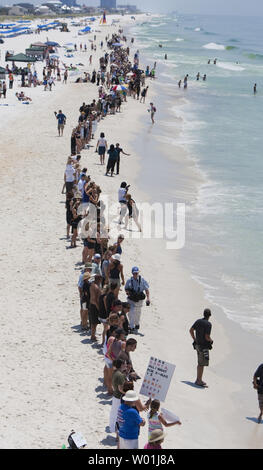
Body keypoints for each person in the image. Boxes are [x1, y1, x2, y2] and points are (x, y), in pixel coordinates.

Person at [189, 308, 213, 387]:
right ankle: (198, 380)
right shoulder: (208, 324)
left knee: (200, 362)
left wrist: (195, 339)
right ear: (209, 316)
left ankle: (199, 379)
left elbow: (191, 330)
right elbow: (207, 336)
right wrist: (211, 340)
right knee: (201, 363)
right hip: (204, 346)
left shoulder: (198, 321)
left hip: (197, 345)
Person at [125, 266, 150, 332]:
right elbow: (126, 289)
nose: (135, 275)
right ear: (132, 273)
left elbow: (146, 289)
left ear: (138, 273)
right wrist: (129, 293)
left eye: (136, 273)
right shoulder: (129, 280)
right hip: (131, 299)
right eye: (134, 273)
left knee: (138, 313)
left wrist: (148, 298)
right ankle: (131, 326)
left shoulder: (142, 280)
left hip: (139, 300)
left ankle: (137, 324)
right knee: (131, 312)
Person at [109, 359, 127, 434]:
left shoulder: (115, 373)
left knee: (113, 414)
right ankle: (116, 431)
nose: (126, 365)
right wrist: (127, 393)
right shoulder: (120, 375)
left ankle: (113, 429)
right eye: (125, 364)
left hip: (115, 396)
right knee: (118, 416)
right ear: (121, 365)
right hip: (119, 397)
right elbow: (120, 388)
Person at [89, 274, 102, 341]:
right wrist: (98, 307)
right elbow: (94, 299)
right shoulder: (96, 287)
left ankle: (93, 335)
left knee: (94, 322)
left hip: (92, 305)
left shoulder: (92, 285)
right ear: (99, 279)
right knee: (94, 322)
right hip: (94, 306)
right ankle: (92, 336)